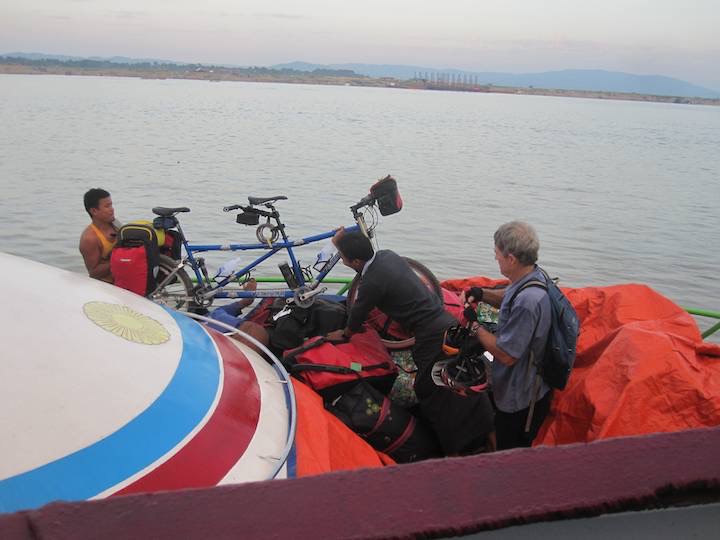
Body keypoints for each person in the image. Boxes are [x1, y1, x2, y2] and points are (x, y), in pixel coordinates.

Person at [327, 229, 495, 456]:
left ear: (355, 261)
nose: (343, 261)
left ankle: (453, 452)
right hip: (446, 323)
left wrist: (344, 334)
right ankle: (490, 438)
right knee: (464, 379)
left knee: (433, 392)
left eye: (344, 258)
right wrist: (341, 239)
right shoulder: (388, 255)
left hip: (431, 336)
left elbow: (356, 316)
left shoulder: (371, 283)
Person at [463, 221, 552, 450]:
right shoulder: (532, 275)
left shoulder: (528, 303)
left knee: (509, 451)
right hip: (516, 386)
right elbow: (509, 295)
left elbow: (506, 355)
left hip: (520, 401)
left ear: (511, 258)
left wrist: (475, 326)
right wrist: (482, 294)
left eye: (497, 254)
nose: (496, 259)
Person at [79, 188, 119, 283]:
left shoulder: (116, 225)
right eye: (107, 206)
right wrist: (120, 259)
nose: (112, 209)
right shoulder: (89, 238)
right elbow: (93, 272)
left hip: (123, 280)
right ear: (94, 211)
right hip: (107, 286)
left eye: (111, 205)